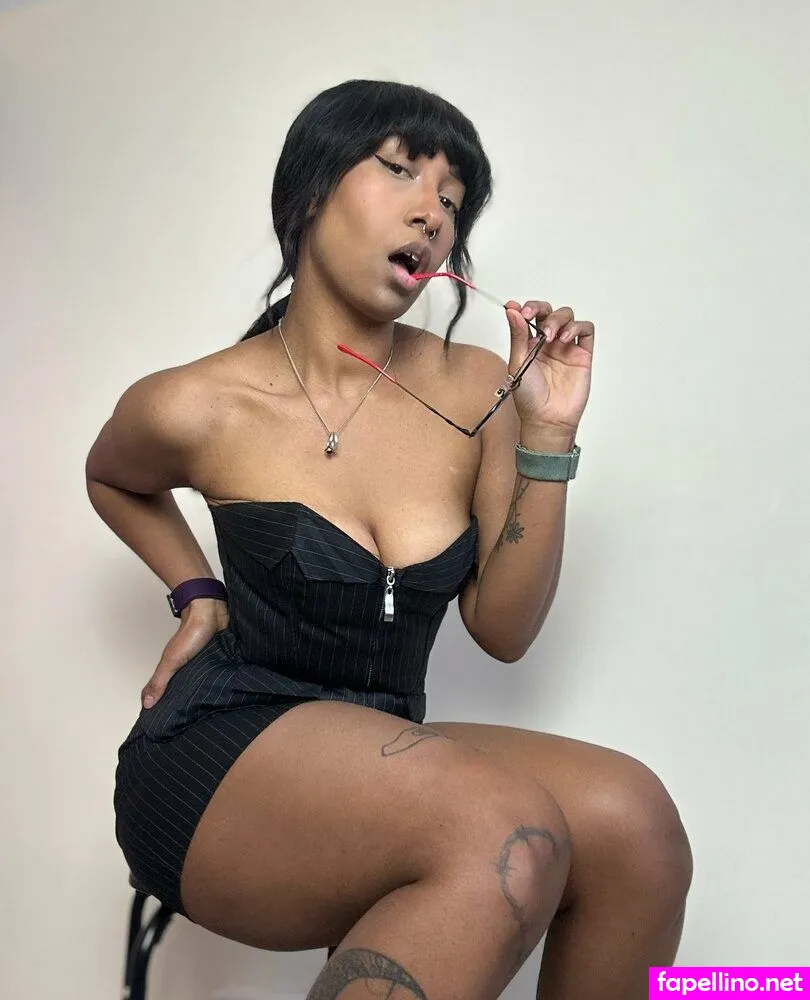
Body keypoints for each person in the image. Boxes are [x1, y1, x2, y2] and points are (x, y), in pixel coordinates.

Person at [85, 80, 692, 1000]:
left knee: (634, 824)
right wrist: (196, 592)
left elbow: (504, 629)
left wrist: (548, 437)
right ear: (309, 191)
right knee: (498, 829)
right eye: (401, 169)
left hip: (381, 744)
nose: (432, 213)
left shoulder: (478, 388)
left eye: (453, 200)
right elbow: (111, 476)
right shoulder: (200, 401)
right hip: (218, 753)